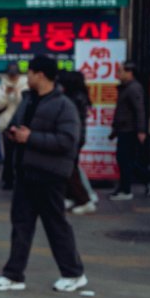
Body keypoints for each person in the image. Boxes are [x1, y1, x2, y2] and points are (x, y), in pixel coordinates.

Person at [0, 54, 87, 293]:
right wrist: (15, 133)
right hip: (25, 173)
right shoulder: (28, 100)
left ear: (40, 75)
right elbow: (19, 125)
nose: (26, 77)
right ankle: (13, 275)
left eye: (30, 72)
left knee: (56, 226)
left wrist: (30, 137)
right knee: (21, 225)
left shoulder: (64, 105)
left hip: (50, 176)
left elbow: (68, 141)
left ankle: (74, 274)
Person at [59, 71, 97, 215]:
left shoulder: (74, 98)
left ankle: (85, 200)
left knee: (71, 170)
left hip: (74, 138)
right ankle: (72, 197)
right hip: (77, 137)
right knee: (70, 168)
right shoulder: (79, 96)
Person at [109, 61, 148, 201]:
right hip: (124, 128)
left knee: (125, 159)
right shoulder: (125, 88)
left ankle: (126, 190)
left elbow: (139, 110)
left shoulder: (133, 88)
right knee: (126, 160)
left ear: (129, 72)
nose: (118, 74)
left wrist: (141, 130)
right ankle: (126, 187)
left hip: (129, 130)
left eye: (120, 71)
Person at [0, 62, 29, 189]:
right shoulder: (1, 87)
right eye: (10, 75)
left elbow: (26, 103)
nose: (12, 77)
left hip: (22, 125)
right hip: (6, 125)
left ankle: (21, 179)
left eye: (15, 74)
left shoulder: (26, 85)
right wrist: (6, 94)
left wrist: (18, 93)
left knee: (22, 155)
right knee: (8, 155)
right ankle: (8, 180)